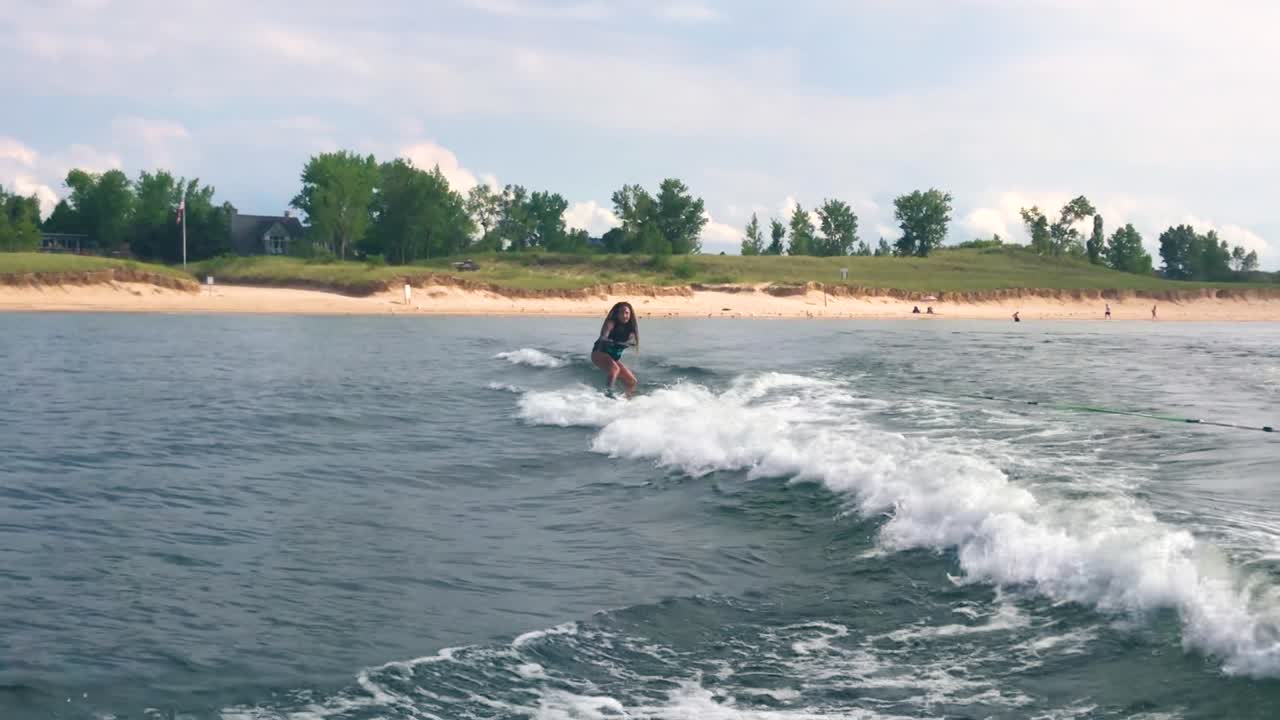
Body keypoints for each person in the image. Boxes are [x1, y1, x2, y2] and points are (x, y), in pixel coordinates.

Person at [591, 301, 639, 397]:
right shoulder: (611, 323)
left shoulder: (631, 329)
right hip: (599, 353)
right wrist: (607, 340)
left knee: (632, 381)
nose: (624, 315)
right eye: (621, 313)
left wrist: (627, 343)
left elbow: (632, 342)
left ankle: (627, 400)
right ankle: (608, 394)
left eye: (627, 313)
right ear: (617, 314)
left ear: (630, 314)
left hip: (612, 357)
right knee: (615, 368)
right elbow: (603, 336)